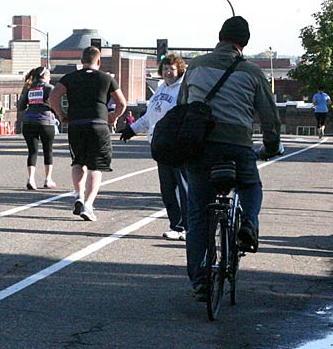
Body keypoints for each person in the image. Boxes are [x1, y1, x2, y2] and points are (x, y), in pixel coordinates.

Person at [178, 16, 282, 301]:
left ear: (220, 36)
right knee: (250, 185)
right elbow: (270, 118)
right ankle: (248, 223)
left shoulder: (196, 66)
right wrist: (271, 147)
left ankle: (200, 280)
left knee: (198, 214)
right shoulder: (252, 72)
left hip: (200, 148)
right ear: (244, 43)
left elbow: (181, 107)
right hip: (237, 145)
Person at [50, 46, 127, 221]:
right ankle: (88, 205)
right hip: (99, 124)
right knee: (96, 167)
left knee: (78, 162)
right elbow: (122, 103)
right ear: (98, 61)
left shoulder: (70, 78)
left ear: (81, 61)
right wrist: (113, 116)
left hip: (76, 124)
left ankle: (79, 195)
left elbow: (54, 96)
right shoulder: (106, 78)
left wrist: (61, 114)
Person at [120, 54, 188, 241]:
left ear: (179, 70)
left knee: (183, 188)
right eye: (165, 68)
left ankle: (187, 227)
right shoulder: (160, 88)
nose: (167, 72)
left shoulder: (183, 89)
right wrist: (132, 129)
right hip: (160, 146)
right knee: (167, 190)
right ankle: (176, 226)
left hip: (177, 145)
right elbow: (150, 116)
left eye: (171, 69)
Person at [18, 66, 57, 190]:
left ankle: (31, 179)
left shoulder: (29, 88)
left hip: (29, 121)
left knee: (32, 151)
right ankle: (48, 179)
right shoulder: (49, 88)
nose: (50, 78)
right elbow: (56, 105)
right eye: (49, 75)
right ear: (44, 76)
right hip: (45, 121)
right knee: (48, 150)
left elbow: (21, 107)